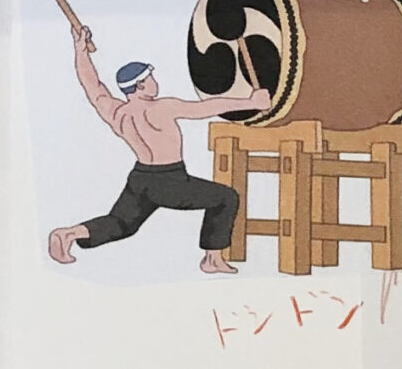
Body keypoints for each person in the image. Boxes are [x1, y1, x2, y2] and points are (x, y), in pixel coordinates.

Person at [48, 22, 269, 276]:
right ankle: (212, 259)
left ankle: (70, 233)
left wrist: (80, 51)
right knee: (225, 197)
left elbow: (93, 86)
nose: (155, 82)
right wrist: (251, 102)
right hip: (170, 181)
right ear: (140, 85)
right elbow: (204, 108)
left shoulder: (117, 112)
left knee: (121, 223)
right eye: (150, 78)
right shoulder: (161, 108)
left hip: (140, 179)